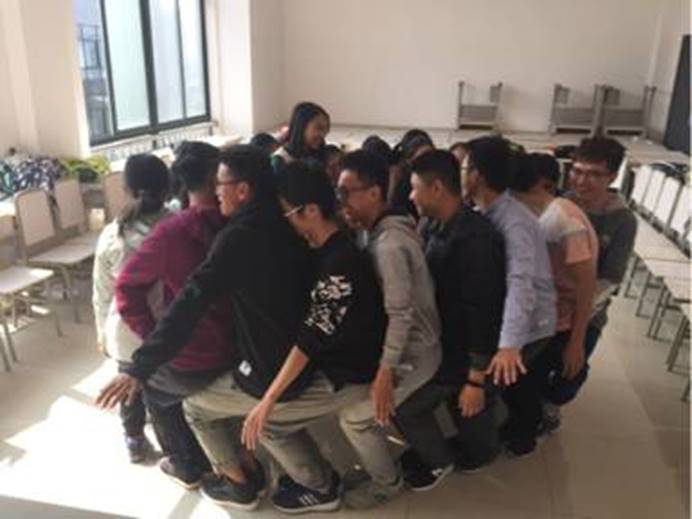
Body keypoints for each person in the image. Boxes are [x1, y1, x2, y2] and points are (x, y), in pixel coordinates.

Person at [97, 145, 314, 511]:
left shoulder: (193, 230)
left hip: (200, 354)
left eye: (224, 182)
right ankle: (244, 461)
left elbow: (168, 297)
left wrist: (147, 349)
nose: (220, 189)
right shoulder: (258, 219)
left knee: (160, 393)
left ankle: (197, 468)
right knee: (208, 394)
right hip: (243, 347)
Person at [240, 160, 387, 512]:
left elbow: (312, 335)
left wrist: (269, 400)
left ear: (310, 210)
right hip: (335, 360)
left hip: (350, 373)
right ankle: (319, 477)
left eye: (287, 213)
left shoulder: (341, 263)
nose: (285, 221)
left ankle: (320, 488)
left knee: (268, 423)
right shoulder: (325, 247)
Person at [114, 142, 236, 489]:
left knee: (152, 388)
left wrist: (154, 337)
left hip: (197, 354)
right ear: (216, 179)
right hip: (242, 346)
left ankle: (187, 464)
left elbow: (126, 287)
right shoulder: (240, 220)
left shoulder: (172, 231)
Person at [337, 150, 441, 508]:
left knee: (353, 419)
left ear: (374, 193)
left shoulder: (390, 245)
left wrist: (386, 372)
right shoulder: (378, 230)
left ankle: (386, 483)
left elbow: (400, 315)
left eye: (347, 192)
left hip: (416, 352)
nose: (341, 201)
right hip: (406, 344)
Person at [395, 149, 505, 490]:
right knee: (463, 416)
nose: (411, 196)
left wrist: (475, 380)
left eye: (415, 188)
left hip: (461, 357)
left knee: (406, 408)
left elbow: (484, 312)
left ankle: (439, 461)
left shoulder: (476, 240)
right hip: (440, 344)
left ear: (437, 188)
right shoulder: (433, 224)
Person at [461, 136, 557, 457]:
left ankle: (498, 445)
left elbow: (521, 283)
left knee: (492, 383)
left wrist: (509, 345)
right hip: (517, 317)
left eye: (464, 167)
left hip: (532, 321)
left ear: (478, 175)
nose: (461, 175)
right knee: (517, 386)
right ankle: (520, 427)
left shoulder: (514, 222)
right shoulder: (485, 210)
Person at [511, 153, 598, 433]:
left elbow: (587, 285)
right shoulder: (543, 215)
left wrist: (576, 342)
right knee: (524, 379)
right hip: (548, 314)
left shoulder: (564, 221)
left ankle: (525, 434)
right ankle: (524, 426)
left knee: (527, 380)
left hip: (564, 321)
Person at [92, 154, 170, 463]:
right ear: (167, 187)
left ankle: (134, 440)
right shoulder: (179, 225)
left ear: (126, 189)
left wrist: (101, 333)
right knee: (163, 395)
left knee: (128, 390)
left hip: (123, 333)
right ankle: (175, 451)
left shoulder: (113, 233)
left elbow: (101, 293)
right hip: (166, 332)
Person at [557, 137, 636, 418]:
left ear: (612, 177)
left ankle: (551, 406)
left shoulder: (622, 220)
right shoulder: (559, 204)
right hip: (549, 305)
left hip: (587, 312)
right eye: (577, 171)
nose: (582, 181)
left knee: (570, 373)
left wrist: (576, 313)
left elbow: (611, 278)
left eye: (594, 174)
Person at [272, 102, 330, 172]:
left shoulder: (319, 154)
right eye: (319, 128)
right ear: (301, 127)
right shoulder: (280, 159)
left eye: (326, 128)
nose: (323, 134)